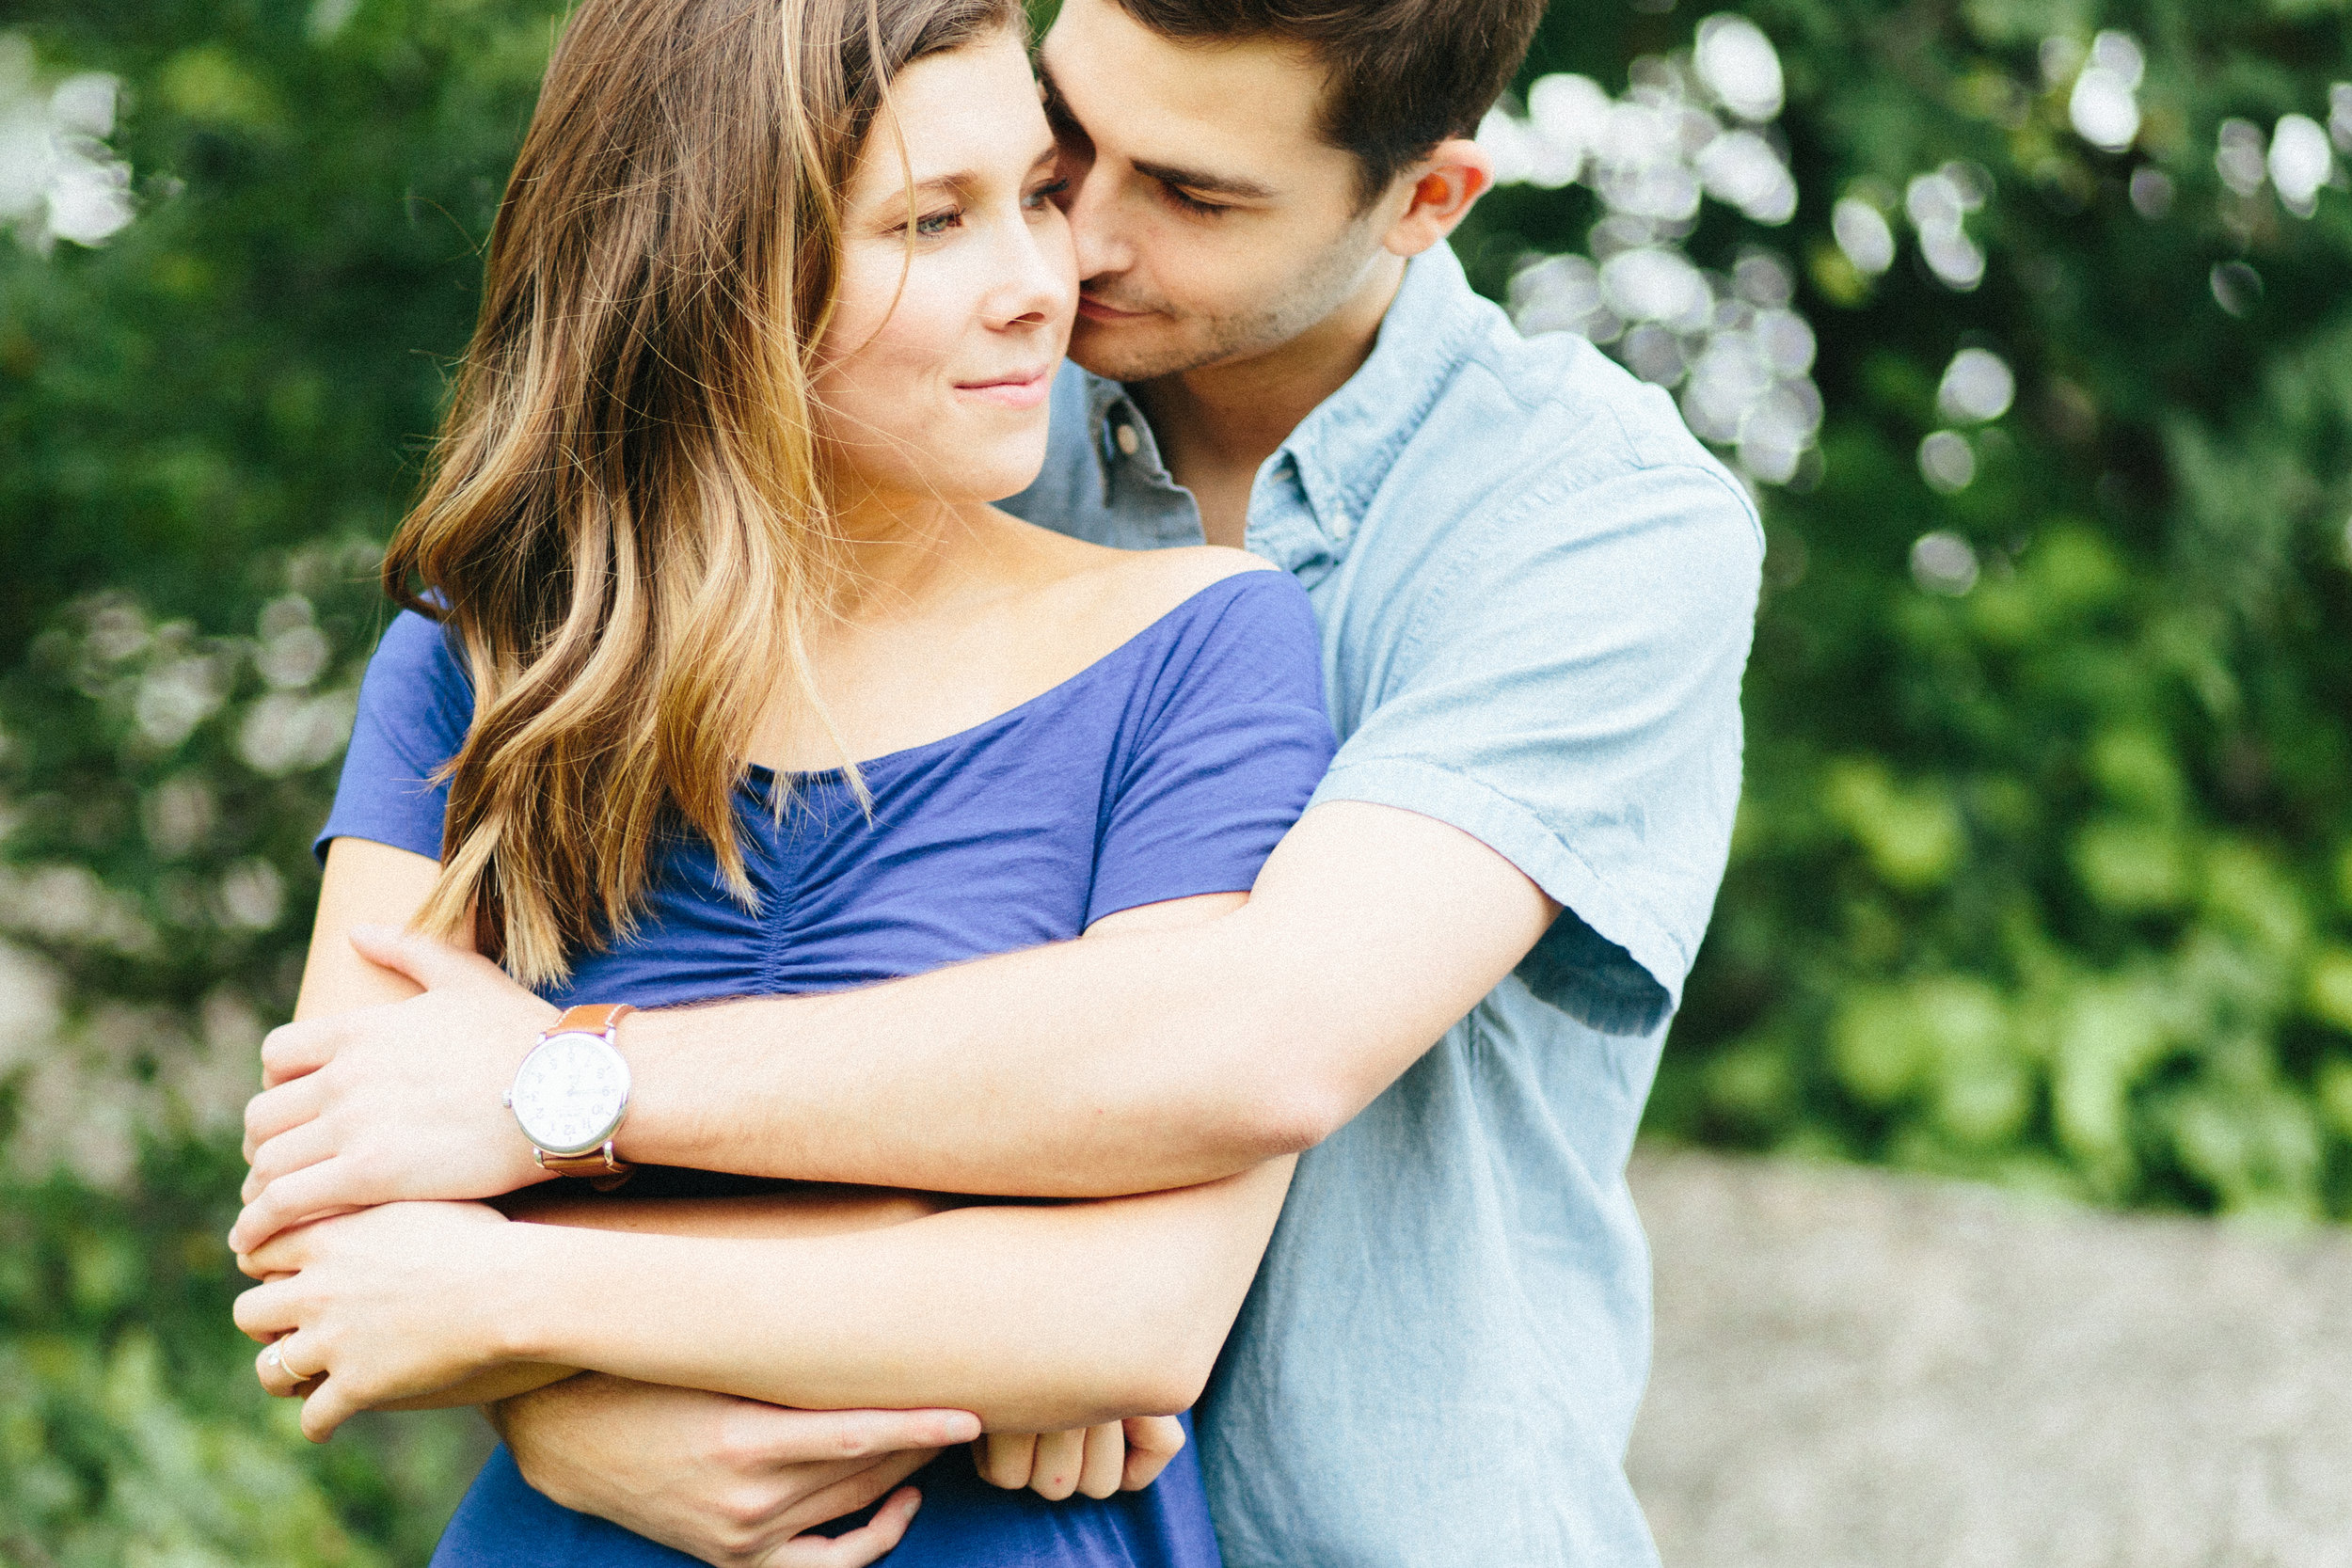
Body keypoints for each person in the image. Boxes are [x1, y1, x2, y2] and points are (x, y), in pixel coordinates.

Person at [234, 0, 1766, 1558]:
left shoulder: (1593, 527)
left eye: (1191, 195)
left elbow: (1242, 1045)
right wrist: (567, 1415)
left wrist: (552, 1103)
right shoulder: (921, 438)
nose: (1071, 254)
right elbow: (349, 1224)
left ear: (1422, 204)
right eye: (1062, 152)